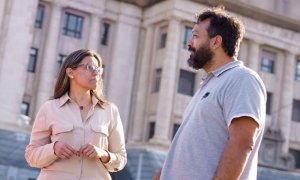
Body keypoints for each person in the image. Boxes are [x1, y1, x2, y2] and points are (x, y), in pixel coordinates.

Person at [155, 6, 266, 180]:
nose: (189, 43)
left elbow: (242, 143)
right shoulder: (207, 86)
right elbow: (181, 154)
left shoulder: (243, 79)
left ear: (216, 42)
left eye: (195, 36)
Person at [25, 49, 127, 180]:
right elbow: (31, 156)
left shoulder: (110, 111)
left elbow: (121, 159)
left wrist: (103, 154)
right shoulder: (49, 108)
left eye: (99, 69)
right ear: (70, 72)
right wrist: (54, 149)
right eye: (90, 67)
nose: (96, 72)